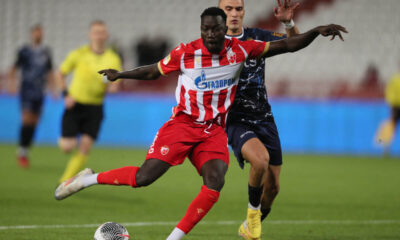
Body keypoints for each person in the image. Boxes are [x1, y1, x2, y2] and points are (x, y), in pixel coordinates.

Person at [54, 7, 347, 240]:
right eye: (205, 29)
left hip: (213, 131)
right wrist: (122, 74)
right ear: (201, 30)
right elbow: (154, 71)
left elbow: (289, 44)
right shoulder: (186, 53)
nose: (209, 34)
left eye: (215, 29)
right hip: (182, 124)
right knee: (144, 178)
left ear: (224, 29)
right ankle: (86, 179)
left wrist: (316, 31)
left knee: (215, 181)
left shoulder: (241, 50)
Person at [218, 0, 301, 238]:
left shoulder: (257, 37)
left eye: (238, 9)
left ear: (244, 12)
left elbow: (294, 42)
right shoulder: (213, 44)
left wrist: (288, 22)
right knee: (260, 160)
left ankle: (249, 225)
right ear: (220, 12)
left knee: (273, 187)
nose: (234, 14)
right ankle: (253, 217)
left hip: (264, 118)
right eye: (228, 9)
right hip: (235, 120)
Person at [56, 20, 122, 183]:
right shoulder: (79, 54)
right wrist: (65, 94)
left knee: (85, 146)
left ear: (106, 35)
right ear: (90, 35)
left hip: (95, 107)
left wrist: (112, 87)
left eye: (102, 32)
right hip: (75, 104)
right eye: (96, 32)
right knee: (67, 147)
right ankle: (66, 146)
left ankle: (65, 181)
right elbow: (60, 73)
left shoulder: (112, 58)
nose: (99, 36)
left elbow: (116, 84)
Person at [8, 24, 55, 168]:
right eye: (36, 32)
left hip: (40, 92)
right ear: (31, 34)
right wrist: (12, 84)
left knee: (34, 122)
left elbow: (49, 71)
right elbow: (13, 68)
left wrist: (53, 89)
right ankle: (22, 151)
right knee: (26, 120)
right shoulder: (24, 51)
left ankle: (25, 150)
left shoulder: (46, 52)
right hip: (27, 90)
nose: (38, 35)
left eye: (40, 32)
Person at [375, 66, 400, 155]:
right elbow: (389, 92)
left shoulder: (394, 79)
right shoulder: (394, 79)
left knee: (391, 126)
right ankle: (385, 146)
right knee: (391, 126)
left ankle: (385, 146)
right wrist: (391, 103)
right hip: (396, 106)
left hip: (395, 106)